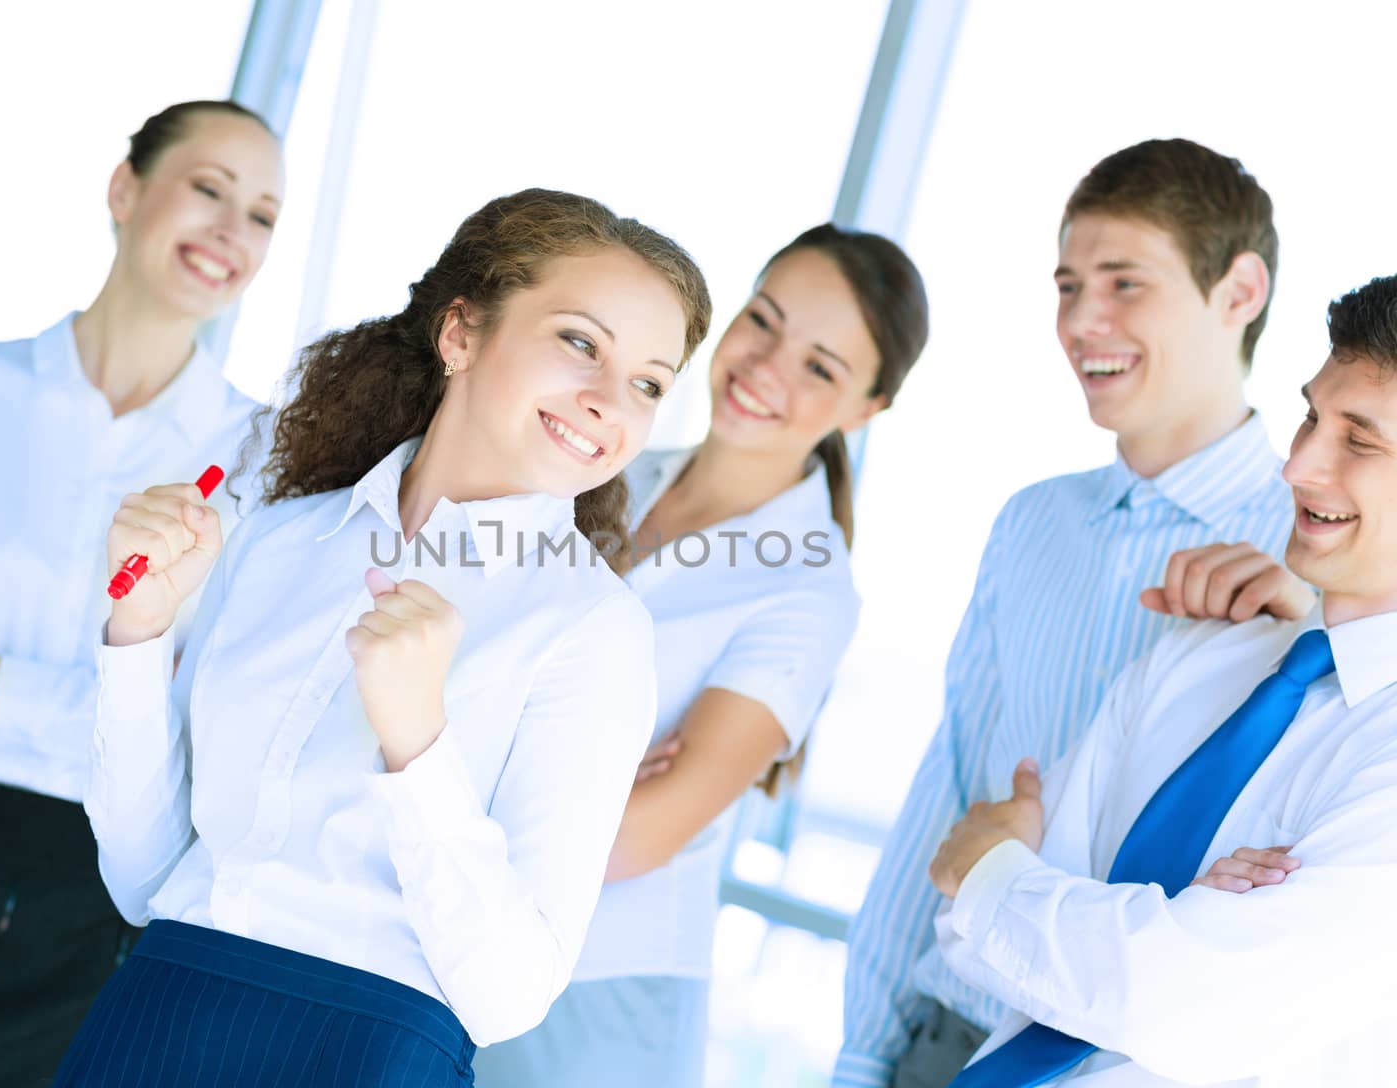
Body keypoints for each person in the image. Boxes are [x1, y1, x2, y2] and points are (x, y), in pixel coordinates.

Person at [53, 188, 713, 1087]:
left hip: (366, 1057)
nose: (609, 401)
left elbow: (510, 995)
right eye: (579, 343)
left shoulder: (593, 628)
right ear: (461, 336)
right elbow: (143, 877)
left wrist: (419, 745)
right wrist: (138, 633)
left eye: (647, 383)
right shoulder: (283, 540)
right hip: (156, 1013)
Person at [0, 99, 282, 1086]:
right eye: (209, 188)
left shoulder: (258, 461)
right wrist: (104, 729)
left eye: (263, 216)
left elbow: (197, 750)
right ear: (125, 189)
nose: (232, 232)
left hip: (99, 901)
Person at [834, 138, 1312, 1088]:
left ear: (1239, 292)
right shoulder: (1032, 524)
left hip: (1131, 1062)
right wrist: (861, 1056)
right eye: (1066, 284)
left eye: (1124, 282)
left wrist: (1309, 622)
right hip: (947, 1034)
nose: (1082, 320)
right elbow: (951, 780)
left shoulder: (1317, 556)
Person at [475, 225, 929, 1086]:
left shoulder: (809, 589)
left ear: (866, 409)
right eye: (765, 320)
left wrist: (464, 766)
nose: (766, 368)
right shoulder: (604, 469)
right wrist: (573, 781)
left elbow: (640, 837)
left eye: (821, 368)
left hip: (599, 993)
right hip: (465, 931)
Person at [926, 273, 1397, 1087]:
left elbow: (1197, 998)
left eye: (1359, 440)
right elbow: (961, 930)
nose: (1297, 465)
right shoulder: (1204, 656)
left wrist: (996, 877)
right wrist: (1159, 929)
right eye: (1311, 417)